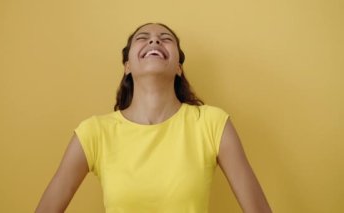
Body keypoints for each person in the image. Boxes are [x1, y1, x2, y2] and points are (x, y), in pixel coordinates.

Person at [36, 23, 272, 213]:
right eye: (143, 37)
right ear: (127, 66)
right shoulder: (94, 132)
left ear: (178, 67)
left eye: (165, 38)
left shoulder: (212, 123)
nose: (154, 40)